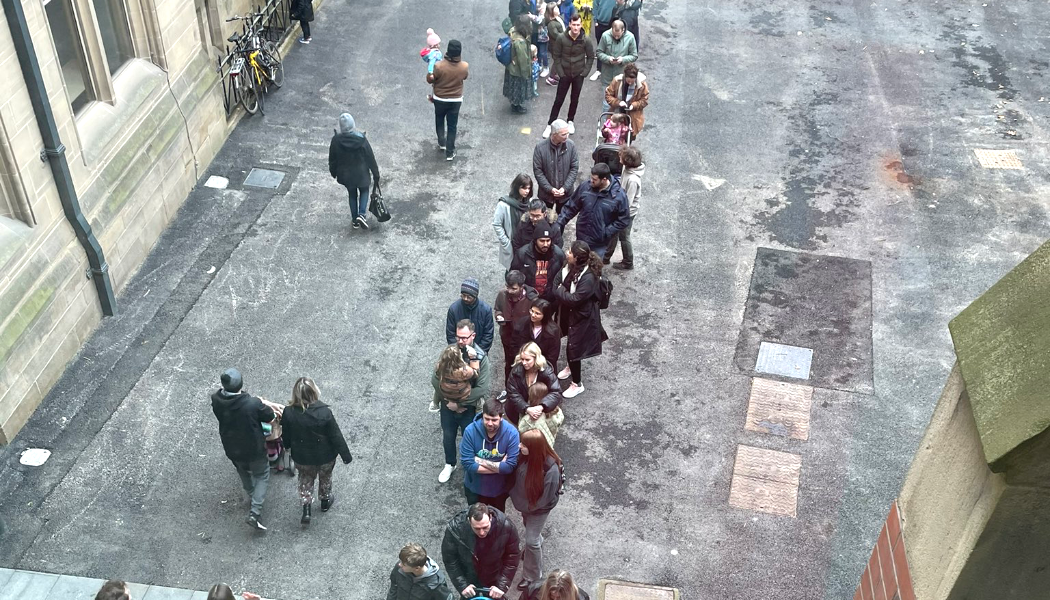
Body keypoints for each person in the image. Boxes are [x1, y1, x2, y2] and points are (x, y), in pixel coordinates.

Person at [211, 368, 277, 531]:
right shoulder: (251, 403)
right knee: (262, 474)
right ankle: (255, 512)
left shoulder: (216, 400)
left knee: (242, 470)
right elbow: (269, 416)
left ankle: (251, 493)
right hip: (254, 449)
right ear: (241, 384)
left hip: (232, 448)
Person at [280, 377, 353, 525]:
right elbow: (335, 435)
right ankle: (325, 500)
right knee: (325, 477)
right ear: (314, 392)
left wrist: (287, 446)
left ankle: (306, 509)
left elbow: (286, 434)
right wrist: (346, 455)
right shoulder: (324, 412)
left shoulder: (289, 412)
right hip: (325, 456)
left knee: (305, 479)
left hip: (302, 457)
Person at [434, 322, 492, 483]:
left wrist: (459, 404)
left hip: (469, 408)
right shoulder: (449, 352)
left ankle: (470, 467)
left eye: (464, 338)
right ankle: (449, 464)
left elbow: (481, 388)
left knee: (471, 437)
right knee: (448, 436)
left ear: (473, 336)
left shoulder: (481, 357)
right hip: (448, 405)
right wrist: (448, 400)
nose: (460, 341)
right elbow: (435, 378)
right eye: (458, 337)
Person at [509, 430, 564, 590]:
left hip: (538, 509)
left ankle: (533, 577)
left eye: (523, 444)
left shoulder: (551, 470)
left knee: (531, 540)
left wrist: (529, 507)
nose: (519, 446)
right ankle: (536, 546)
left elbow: (545, 499)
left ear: (533, 448)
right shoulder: (526, 457)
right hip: (526, 505)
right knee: (529, 529)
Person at [552, 241, 607, 398]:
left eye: (570, 252)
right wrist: (561, 290)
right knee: (570, 342)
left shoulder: (588, 277)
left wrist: (560, 290)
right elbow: (556, 281)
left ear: (576, 258)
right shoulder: (569, 266)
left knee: (573, 347)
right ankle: (571, 366)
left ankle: (577, 383)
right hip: (569, 313)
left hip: (582, 317)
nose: (567, 253)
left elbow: (574, 299)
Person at [441, 503, 521, 600]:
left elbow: (512, 556)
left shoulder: (506, 527)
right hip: (469, 580)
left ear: (490, 518)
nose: (482, 532)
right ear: (469, 521)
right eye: (477, 529)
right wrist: (462, 585)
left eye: (485, 527)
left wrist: (502, 586)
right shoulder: (455, 529)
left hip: (494, 579)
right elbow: (450, 560)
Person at [556, 163, 630, 259]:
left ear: (604, 179)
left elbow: (623, 220)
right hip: (581, 238)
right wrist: (559, 223)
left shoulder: (619, 196)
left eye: (594, 180)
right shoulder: (585, 187)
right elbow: (571, 207)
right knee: (577, 265)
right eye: (591, 178)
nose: (591, 181)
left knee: (593, 269)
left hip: (599, 244)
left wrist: (606, 232)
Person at [460, 398, 520, 511]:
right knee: (476, 520)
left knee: (497, 519)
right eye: (486, 419)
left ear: (501, 418)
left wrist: (479, 461)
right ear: (482, 415)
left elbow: (510, 467)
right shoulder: (470, 431)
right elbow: (467, 464)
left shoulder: (512, 434)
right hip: (475, 488)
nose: (490, 423)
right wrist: (499, 467)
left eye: (494, 420)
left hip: (499, 490)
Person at [328, 113, 381, 230]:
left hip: (346, 174)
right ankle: (362, 214)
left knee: (352, 194)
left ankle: (355, 220)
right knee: (364, 191)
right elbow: (370, 158)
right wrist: (376, 174)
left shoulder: (336, 140)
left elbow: (332, 158)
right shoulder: (361, 140)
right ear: (353, 125)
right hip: (361, 173)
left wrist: (333, 171)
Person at [545, 15, 594, 138]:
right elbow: (556, 56)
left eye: (578, 25)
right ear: (570, 25)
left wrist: (585, 72)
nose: (576, 27)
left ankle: (570, 121)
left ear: (581, 25)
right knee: (558, 100)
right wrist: (560, 73)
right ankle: (550, 124)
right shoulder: (561, 38)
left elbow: (590, 57)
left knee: (574, 99)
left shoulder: (586, 40)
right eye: (574, 24)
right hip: (565, 74)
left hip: (578, 75)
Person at [604, 145, 644, 270]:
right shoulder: (627, 169)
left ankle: (628, 261)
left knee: (624, 236)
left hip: (627, 212)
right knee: (615, 233)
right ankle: (606, 256)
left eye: (621, 156)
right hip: (621, 208)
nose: (619, 157)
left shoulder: (633, 179)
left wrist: (616, 210)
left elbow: (628, 201)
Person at [505, 342, 562, 427]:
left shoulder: (546, 372)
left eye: (527, 360)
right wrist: (526, 408)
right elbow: (512, 393)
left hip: (540, 410)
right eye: (522, 359)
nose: (524, 363)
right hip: (518, 411)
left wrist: (542, 407)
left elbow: (556, 392)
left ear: (536, 358)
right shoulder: (516, 371)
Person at [494, 271, 538, 381]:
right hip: (507, 336)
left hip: (524, 339)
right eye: (507, 287)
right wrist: (499, 316)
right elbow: (498, 309)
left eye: (513, 289)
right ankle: (508, 388)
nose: (509, 291)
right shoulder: (502, 294)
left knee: (525, 364)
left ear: (522, 287)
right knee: (509, 363)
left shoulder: (532, 300)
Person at [428, 40, 468, 161]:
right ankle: (450, 153)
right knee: (452, 125)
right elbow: (465, 77)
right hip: (455, 100)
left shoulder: (438, 66)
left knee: (439, 119)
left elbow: (430, 80)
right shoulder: (464, 66)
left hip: (439, 98)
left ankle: (442, 142)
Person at [533, 120, 579, 211]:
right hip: (546, 195)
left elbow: (574, 168)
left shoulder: (571, 146)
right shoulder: (540, 148)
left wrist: (565, 188)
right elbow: (538, 171)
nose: (567, 136)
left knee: (561, 220)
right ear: (554, 134)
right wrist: (550, 189)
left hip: (565, 195)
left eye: (567, 133)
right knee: (544, 220)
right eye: (563, 134)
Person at [512, 228, 566, 302]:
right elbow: (514, 275)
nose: (546, 244)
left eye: (548, 240)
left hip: (550, 299)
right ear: (535, 240)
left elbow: (564, 276)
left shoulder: (559, 254)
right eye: (542, 241)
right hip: (527, 298)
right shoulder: (522, 254)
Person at [387, 543, 457, 600]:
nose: (399, 564)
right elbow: (394, 585)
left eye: (403, 564)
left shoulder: (436, 584)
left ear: (417, 568)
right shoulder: (400, 568)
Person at [493, 174, 534, 269]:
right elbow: (497, 224)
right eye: (524, 188)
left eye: (529, 188)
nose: (527, 191)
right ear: (517, 187)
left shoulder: (530, 202)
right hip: (512, 243)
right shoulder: (504, 204)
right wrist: (506, 242)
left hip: (526, 243)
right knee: (511, 270)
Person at [446, 278, 494, 353]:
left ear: (475, 296)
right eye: (463, 295)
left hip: (478, 352)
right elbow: (450, 334)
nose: (465, 298)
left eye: (469, 297)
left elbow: (488, 335)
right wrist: (456, 352)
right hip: (459, 352)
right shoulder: (453, 309)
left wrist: (479, 353)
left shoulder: (486, 310)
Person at [511, 299, 562, 368]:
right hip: (523, 364)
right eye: (532, 311)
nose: (533, 315)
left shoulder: (553, 330)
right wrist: (523, 361)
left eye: (537, 313)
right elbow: (514, 344)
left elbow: (553, 355)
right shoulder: (522, 323)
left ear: (545, 315)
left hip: (543, 367)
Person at [604, 63, 648, 136]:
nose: (630, 83)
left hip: (632, 118)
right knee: (612, 135)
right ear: (625, 76)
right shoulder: (617, 81)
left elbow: (644, 100)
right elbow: (608, 95)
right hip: (617, 115)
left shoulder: (642, 85)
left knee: (629, 137)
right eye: (628, 81)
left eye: (632, 81)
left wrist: (633, 105)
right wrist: (618, 102)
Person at [504, 16, 534, 114]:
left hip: (511, 67)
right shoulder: (520, 42)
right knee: (518, 89)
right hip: (517, 70)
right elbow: (523, 60)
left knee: (512, 88)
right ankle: (516, 106)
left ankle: (514, 103)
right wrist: (526, 74)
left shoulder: (513, 31)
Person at [595, 19, 636, 87]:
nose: (616, 37)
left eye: (618, 35)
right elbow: (599, 52)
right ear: (612, 29)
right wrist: (608, 59)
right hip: (607, 78)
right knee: (606, 97)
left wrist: (623, 59)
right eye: (614, 35)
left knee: (620, 97)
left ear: (623, 30)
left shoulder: (630, 37)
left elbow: (634, 55)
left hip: (622, 77)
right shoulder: (605, 35)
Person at [589, 0, 618, 80]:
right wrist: (595, 20)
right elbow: (595, 5)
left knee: (613, 46)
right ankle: (599, 70)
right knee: (600, 47)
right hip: (600, 24)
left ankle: (612, 71)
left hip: (612, 24)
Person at [523, 570, 591, 600]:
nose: (555, 599)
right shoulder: (533, 590)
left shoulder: (582, 598)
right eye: (551, 596)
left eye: (559, 598)